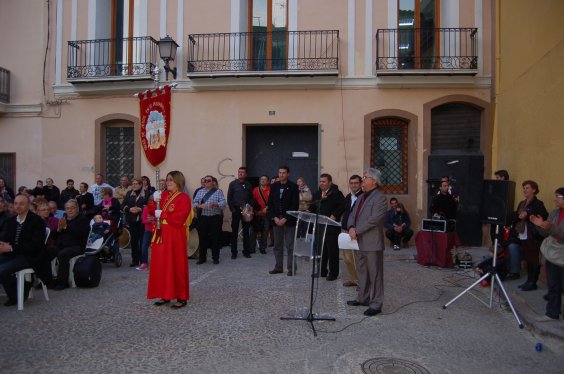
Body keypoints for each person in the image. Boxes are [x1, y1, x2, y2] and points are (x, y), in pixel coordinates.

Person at [147, 170, 192, 309]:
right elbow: (151, 210)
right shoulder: (163, 195)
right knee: (161, 264)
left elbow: (180, 218)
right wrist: (154, 202)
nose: (168, 182)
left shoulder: (183, 198)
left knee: (176, 264)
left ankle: (181, 296)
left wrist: (163, 214)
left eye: (171, 179)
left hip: (175, 234)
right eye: (167, 179)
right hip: (161, 233)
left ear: (178, 181)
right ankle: (164, 294)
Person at [346, 168, 388, 317]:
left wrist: (356, 230)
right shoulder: (361, 197)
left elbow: (374, 220)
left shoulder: (380, 198)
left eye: (365, 177)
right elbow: (352, 214)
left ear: (374, 181)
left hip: (372, 242)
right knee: (362, 271)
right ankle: (363, 297)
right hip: (358, 241)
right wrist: (351, 227)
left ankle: (376, 304)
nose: (363, 180)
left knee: (375, 273)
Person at [0, 195, 52, 306]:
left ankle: (18, 295)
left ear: (28, 205)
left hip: (32, 256)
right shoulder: (12, 221)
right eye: (15, 203)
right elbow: (6, 238)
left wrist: (10, 248)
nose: (18, 206)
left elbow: (35, 246)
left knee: (2, 269)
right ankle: (22, 287)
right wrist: (3, 244)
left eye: (21, 204)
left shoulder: (37, 221)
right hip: (15, 253)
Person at [507, 180, 548, 290]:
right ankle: (529, 281)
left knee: (533, 258)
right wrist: (519, 216)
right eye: (524, 188)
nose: (525, 190)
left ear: (534, 190)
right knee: (529, 258)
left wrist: (528, 214)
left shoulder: (538, 204)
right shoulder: (522, 203)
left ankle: (532, 282)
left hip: (532, 234)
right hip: (522, 234)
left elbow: (543, 216)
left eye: (527, 188)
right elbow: (515, 217)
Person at [530, 187, 564, 320]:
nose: (555, 199)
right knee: (553, 284)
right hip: (553, 252)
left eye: (558, 196)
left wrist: (551, 228)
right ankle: (552, 313)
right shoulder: (555, 213)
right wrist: (540, 226)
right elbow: (546, 233)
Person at [47, 199, 90, 290]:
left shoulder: (83, 219)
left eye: (72, 208)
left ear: (77, 209)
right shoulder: (64, 218)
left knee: (63, 254)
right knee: (47, 251)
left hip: (76, 246)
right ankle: (46, 279)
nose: (69, 210)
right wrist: (58, 229)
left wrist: (66, 227)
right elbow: (53, 236)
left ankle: (62, 282)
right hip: (62, 245)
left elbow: (80, 234)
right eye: (67, 208)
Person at [309, 173, 345, 281]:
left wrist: (335, 214)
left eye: (324, 181)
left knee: (332, 251)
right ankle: (322, 271)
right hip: (320, 226)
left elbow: (343, 205)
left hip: (331, 228)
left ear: (330, 182)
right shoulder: (317, 194)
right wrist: (309, 210)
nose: (321, 183)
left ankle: (333, 273)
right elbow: (313, 206)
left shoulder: (336, 193)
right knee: (321, 251)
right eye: (320, 181)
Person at [267, 166, 299, 276]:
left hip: (289, 220)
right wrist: (275, 218)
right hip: (276, 220)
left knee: (290, 246)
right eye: (280, 172)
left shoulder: (293, 187)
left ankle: (291, 268)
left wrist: (285, 218)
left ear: (288, 174)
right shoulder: (274, 186)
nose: (281, 175)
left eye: (283, 173)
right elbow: (270, 204)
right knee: (277, 245)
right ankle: (278, 267)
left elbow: (295, 205)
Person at [193, 175, 226, 264]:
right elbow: (194, 203)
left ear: (213, 182)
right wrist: (199, 206)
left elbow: (223, 203)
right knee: (202, 238)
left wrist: (216, 204)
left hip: (214, 217)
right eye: (205, 181)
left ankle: (215, 258)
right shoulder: (199, 192)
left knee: (215, 238)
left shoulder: (218, 192)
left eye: (208, 180)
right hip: (203, 218)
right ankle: (202, 258)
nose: (206, 182)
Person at [340, 175, 363, 287]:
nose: (353, 185)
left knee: (357, 259)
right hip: (345, 231)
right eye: (352, 183)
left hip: (356, 231)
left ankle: (361, 282)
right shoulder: (348, 196)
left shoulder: (363, 197)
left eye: (356, 183)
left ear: (360, 184)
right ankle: (353, 279)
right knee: (347, 258)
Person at [227, 167, 254, 259]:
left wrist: (248, 207)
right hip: (236, 209)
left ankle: (246, 251)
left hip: (245, 208)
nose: (240, 174)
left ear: (246, 174)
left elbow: (251, 197)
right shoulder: (233, 184)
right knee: (234, 231)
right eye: (239, 172)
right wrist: (232, 209)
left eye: (242, 172)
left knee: (246, 231)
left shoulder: (248, 185)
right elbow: (229, 197)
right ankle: (233, 252)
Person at [122, 178, 147, 267]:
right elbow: (123, 205)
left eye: (136, 184)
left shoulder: (146, 194)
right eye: (133, 184)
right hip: (132, 220)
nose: (134, 185)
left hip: (142, 221)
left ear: (141, 185)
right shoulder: (129, 194)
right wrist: (129, 209)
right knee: (134, 241)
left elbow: (150, 206)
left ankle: (143, 260)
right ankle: (135, 260)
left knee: (142, 242)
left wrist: (140, 209)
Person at [251, 175, 271, 254]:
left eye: (264, 179)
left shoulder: (270, 189)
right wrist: (256, 211)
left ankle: (263, 248)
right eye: (261, 179)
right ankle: (252, 248)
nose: (262, 180)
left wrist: (267, 208)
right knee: (253, 231)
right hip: (257, 214)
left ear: (268, 181)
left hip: (266, 214)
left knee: (265, 231)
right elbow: (252, 201)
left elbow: (272, 201)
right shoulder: (255, 190)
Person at [490, 170, 510, 244]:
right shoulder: (496, 187)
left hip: (502, 215)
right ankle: (493, 251)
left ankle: (499, 252)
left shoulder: (507, 188)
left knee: (500, 235)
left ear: (503, 178)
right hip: (494, 213)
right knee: (493, 233)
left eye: (497, 177)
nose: (496, 179)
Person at [139, 195, 155, 270]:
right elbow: (143, 220)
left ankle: (156, 262)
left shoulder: (158, 209)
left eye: (154, 201)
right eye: (150, 200)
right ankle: (144, 262)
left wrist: (153, 220)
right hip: (148, 230)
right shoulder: (145, 208)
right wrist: (151, 220)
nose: (152, 202)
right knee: (144, 246)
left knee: (156, 247)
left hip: (156, 230)